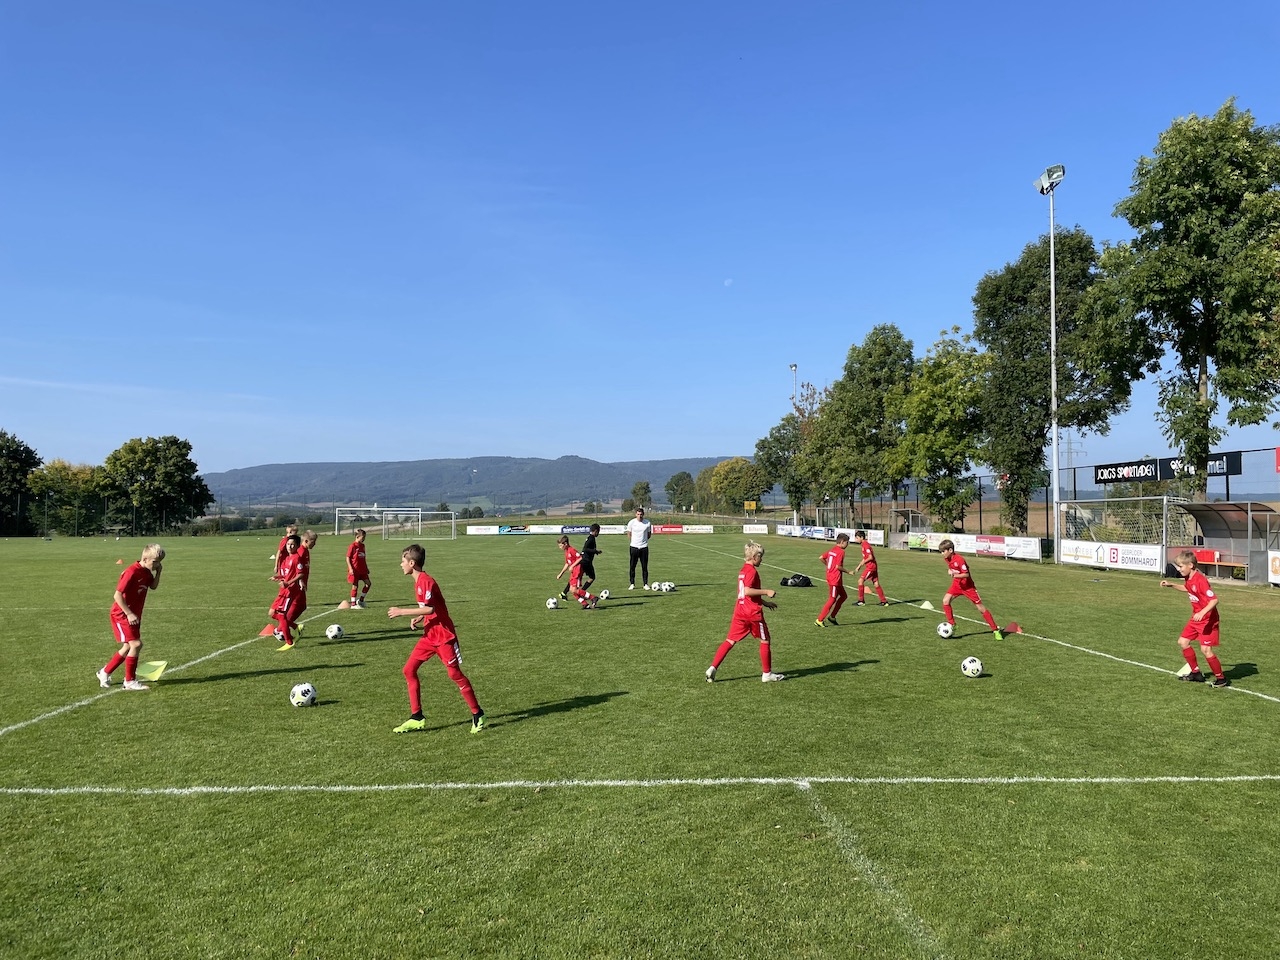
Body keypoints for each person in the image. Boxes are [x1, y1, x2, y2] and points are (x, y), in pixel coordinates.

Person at [387, 544, 487, 733]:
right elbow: (430, 607)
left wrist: (401, 611)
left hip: (444, 637)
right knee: (409, 670)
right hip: (430, 636)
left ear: (412, 563)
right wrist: (419, 617)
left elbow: (430, 608)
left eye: (402, 561)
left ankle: (478, 713)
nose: (401, 564)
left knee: (454, 674)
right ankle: (417, 716)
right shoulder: (419, 581)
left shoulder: (425, 581)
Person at [706, 540, 785, 683]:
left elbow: (744, 593)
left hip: (740, 611)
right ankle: (767, 674)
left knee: (730, 640)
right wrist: (766, 591)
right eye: (760, 557)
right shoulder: (752, 572)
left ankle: (713, 667)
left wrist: (765, 603)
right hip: (752, 613)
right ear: (754, 557)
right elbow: (747, 591)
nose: (762, 560)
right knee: (765, 640)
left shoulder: (743, 570)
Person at [97, 543, 165, 691]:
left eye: (159, 562)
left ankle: (105, 672)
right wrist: (129, 614)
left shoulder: (147, 572)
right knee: (136, 644)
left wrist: (158, 573)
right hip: (122, 614)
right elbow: (117, 595)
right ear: (145, 559)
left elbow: (153, 586)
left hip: (133, 615)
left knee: (128, 646)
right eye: (155, 562)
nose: (157, 565)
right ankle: (129, 681)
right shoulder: (131, 572)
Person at [1161, 551, 1229, 687]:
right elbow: (1188, 588)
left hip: (1208, 620)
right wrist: (1171, 585)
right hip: (1196, 618)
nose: (1179, 569)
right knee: (1183, 642)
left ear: (1190, 565)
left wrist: (1202, 612)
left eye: (1181, 566)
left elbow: (1214, 600)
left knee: (1206, 650)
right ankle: (1196, 673)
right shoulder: (1189, 578)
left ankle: (1221, 679)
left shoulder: (1200, 580)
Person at [939, 539, 1004, 641]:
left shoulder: (960, 560)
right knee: (945, 601)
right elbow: (952, 568)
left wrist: (954, 574)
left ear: (950, 550)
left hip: (968, 587)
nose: (942, 553)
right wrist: (950, 570)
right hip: (957, 585)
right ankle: (953, 624)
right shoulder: (947, 558)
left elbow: (966, 574)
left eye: (943, 551)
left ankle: (995, 630)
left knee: (981, 608)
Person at [270, 533, 305, 650]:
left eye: (293, 544)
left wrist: (288, 583)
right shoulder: (286, 558)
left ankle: (289, 641)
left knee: (281, 615)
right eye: (288, 544)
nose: (290, 546)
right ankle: (295, 626)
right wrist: (278, 577)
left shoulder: (296, 558)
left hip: (289, 591)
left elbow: (300, 574)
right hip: (283, 591)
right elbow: (286, 575)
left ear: (297, 546)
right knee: (272, 613)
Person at [556, 535, 600, 609]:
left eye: (560, 545)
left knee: (574, 590)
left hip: (577, 571)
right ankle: (585, 604)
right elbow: (567, 563)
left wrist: (572, 566)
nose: (559, 547)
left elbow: (580, 558)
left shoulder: (571, 550)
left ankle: (593, 598)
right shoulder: (566, 552)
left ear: (565, 544)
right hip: (573, 573)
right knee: (571, 590)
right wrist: (561, 574)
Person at [816, 533, 850, 627]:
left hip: (833, 577)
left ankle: (832, 617)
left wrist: (828, 565)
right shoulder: (841, 552)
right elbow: (838, 566)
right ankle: (819, 620)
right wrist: (848, 572)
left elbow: (821, 557)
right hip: (834, 578)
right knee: (832, 598)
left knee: (843, 596)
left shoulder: (832, 550)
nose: (847, 544)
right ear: (842, 542)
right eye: (847, 542)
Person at [853, 530, 889, 607]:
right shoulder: (863, 545)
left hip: (871, 567)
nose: (856, 540)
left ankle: (861, 601)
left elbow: (870, 557)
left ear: (861, 537)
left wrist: (863, 563)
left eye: (857, 538)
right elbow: (865, 558)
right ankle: (884, 601)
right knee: (876, 583)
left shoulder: (865, 545)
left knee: (860, 581)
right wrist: (859, 566)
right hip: (872, 566)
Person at [625, 506, 653, 589]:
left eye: (641, 514)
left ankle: (645, 584)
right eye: (638, 514)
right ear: (635, 514)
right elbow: (629, 534)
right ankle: (632, 583)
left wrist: (643, 541)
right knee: (632, 566)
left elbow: (649, 535)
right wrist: (634, 542)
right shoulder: (631, 522)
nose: (639, 516)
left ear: (643, 514)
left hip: (644, 547)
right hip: (634, 547)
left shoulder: (647, 523)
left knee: (644, 567)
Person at [346, 527, 371, 608]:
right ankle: (353, 604)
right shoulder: (352, 546)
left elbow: (363, 558)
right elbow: (348, 557)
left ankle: (361, 600)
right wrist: (350, 568)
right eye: (363, 537)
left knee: (368, 584)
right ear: (357, 537)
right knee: (355, 585)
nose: (364, 539)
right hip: (355, 569)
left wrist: (366, 567)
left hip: (362, 569)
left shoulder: (362, 546)